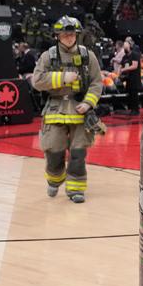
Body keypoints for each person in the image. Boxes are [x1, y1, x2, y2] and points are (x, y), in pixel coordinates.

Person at [30, 16, 104, 203]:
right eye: (65, 34)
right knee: (54, 151)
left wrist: (88, 103)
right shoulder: (49, 56)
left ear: (77, 35)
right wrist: (63, 77)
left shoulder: (88, 56)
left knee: (78, 153)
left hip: (80, 111)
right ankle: (54, 179)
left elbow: (97, 83)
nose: (69, 37)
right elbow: (36, 81)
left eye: (72, 34)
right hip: (55, 109)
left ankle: (75, 189)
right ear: (58, 36)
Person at [119, 40, 141, 116]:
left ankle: (136, 110)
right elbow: (121, 65)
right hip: (127, 78)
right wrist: (120, 72)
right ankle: (132, 109)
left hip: (134, 78)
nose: (125, 48)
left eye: (126, 46)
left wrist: (124, 69)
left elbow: (135, 66)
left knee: (135, 94)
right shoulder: (124, 57)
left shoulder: (135, 55)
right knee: (130, 94)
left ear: (130, 47)